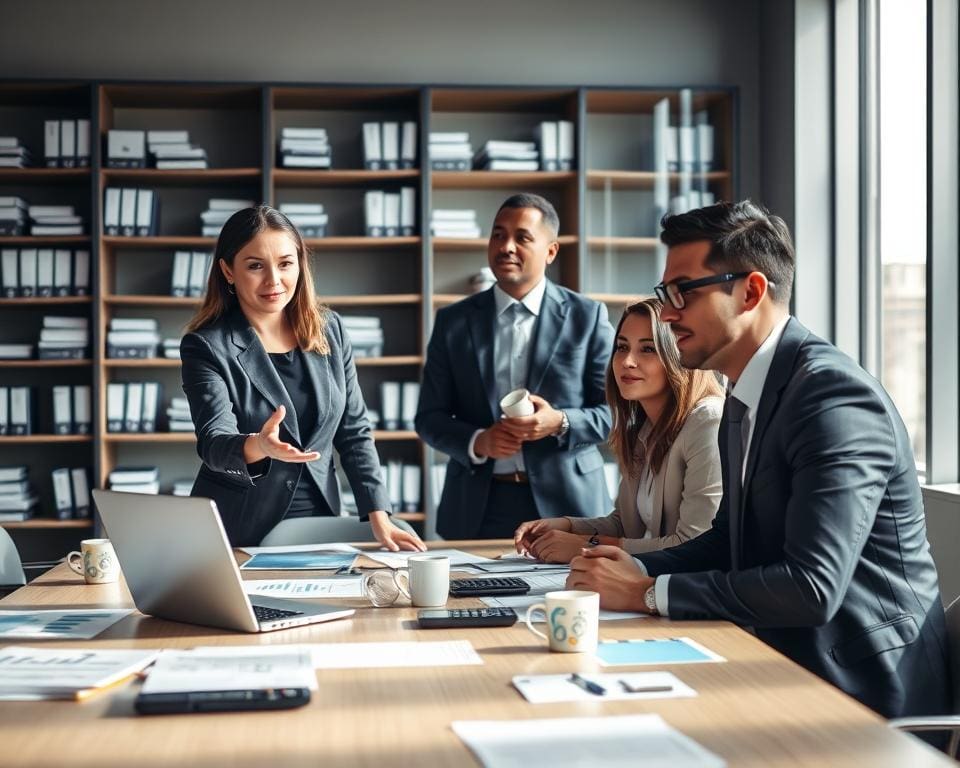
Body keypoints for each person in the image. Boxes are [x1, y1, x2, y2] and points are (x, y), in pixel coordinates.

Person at [567, 200, 949, 720]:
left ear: (750, 291)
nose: (669, 313)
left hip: (861, 692)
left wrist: (648, 593)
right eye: (665, 293)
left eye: (683, 291)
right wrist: (631, 566)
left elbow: (811, 588)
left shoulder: (830, 396)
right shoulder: (746, 393)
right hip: (778, 660)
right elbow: (729, 540)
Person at [181, 204, 425, 551]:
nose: (274, 280)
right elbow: (213, 442)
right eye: (255, 266)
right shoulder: (207, 345)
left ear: (300, 263)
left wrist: (378, 513)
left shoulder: (330, 329)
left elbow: (354, 431)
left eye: (285, 263)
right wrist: (258, 445)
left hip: (319, 519)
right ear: (228, 271)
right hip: (239, 526)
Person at [416, 193, 614, 539]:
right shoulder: (453, 321)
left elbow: (617, 413)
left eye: (522, 237)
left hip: (569, 507)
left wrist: (560, 421)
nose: (506, 246)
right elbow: (428, 418)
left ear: (550, 251)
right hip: (479, 506)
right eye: (498, 234)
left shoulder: (587, 316)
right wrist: (480, 441)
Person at [514, 297, 723, 563]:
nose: (627, 361)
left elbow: (695, 545)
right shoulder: (643, 428)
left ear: (679, 357)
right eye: (622, 347)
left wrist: (583, 546)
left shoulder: (708, 422)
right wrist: (565, 525)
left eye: (647, 349)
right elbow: (625, 524)